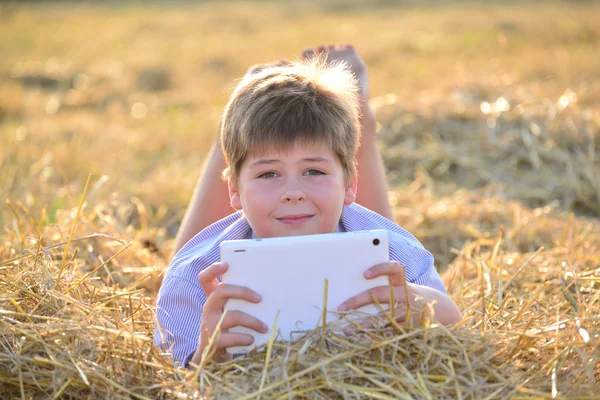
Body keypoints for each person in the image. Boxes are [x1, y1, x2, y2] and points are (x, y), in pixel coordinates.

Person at [154, 44, 462, 367]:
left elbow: (458, 337)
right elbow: (171, 378)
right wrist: (206, 358)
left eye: (313, 171)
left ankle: (361, 120)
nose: (293, 193)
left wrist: (420, 307)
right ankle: (236, 120)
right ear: (233, 190)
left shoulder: (399, 256)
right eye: (268, 173)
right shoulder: (192, 278)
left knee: (373, 237)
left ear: (350, 185)